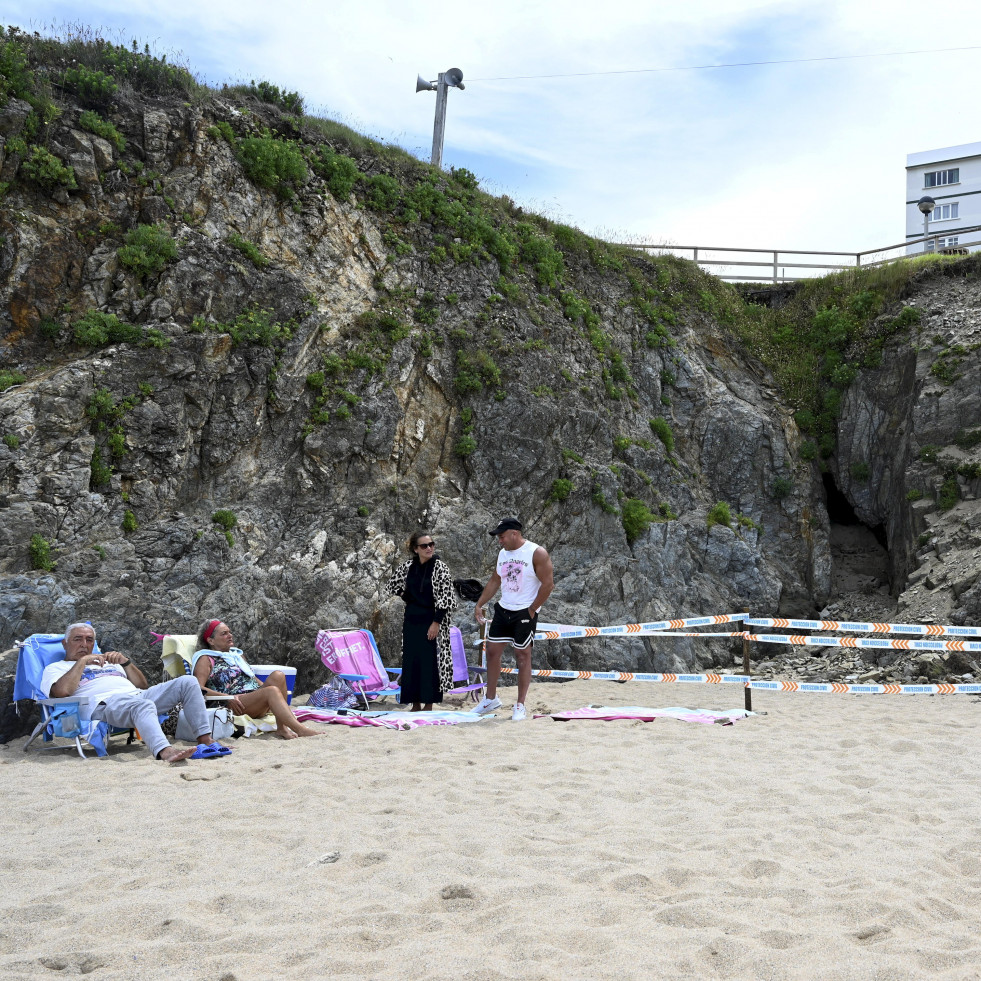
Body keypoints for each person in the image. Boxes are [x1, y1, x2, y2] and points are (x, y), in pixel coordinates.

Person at [42, 622, 225, 762]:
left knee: (188, 682)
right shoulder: (55, 668)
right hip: (105, 703)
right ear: (65, 644)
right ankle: (165, 751)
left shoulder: (107, 663)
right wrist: (81, 662)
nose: (84, 644)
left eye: (89, 640)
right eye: (78, 639)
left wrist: (125, 662)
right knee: (143, 704)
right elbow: (62, 692)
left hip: (136, 696)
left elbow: (142, 685)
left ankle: (205, 739)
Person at [473, 518, 554, 721]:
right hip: (504, 608)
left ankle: (520, 705)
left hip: (524, 611)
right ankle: (490, 698)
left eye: (502, 536)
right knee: (492, 652)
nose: (500, 541)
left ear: (514, 534)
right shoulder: (503, 554)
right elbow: (495, 580)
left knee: (522, 655)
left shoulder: (537, 552)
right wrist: (480, 604)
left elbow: (548, 584)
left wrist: (533, 609)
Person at [191, 619, 320, 739]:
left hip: (251, 698)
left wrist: (269, 692)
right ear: (211, 640)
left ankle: (282, 728)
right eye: (224, 633)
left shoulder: (236, 655)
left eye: (230, 632)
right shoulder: (205, 659)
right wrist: (226, 697)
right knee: (271, 691)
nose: (230, 635)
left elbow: (251, 678)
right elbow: (198, 688)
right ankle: (300, 729)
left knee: (278, 675)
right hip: (233, 703)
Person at [386, 531, 458, 711]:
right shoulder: (408, 566)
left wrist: (436, 623)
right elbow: (392, 584)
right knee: (412, 660)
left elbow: (446, 598)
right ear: (415, 549)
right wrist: (406, 596)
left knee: (430, 661)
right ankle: (415, 703)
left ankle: (428, 704)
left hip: (432, 618)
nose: (429, 548)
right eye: (424, 545)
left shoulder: (440, 567)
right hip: (411, 618)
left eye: (431, 544)